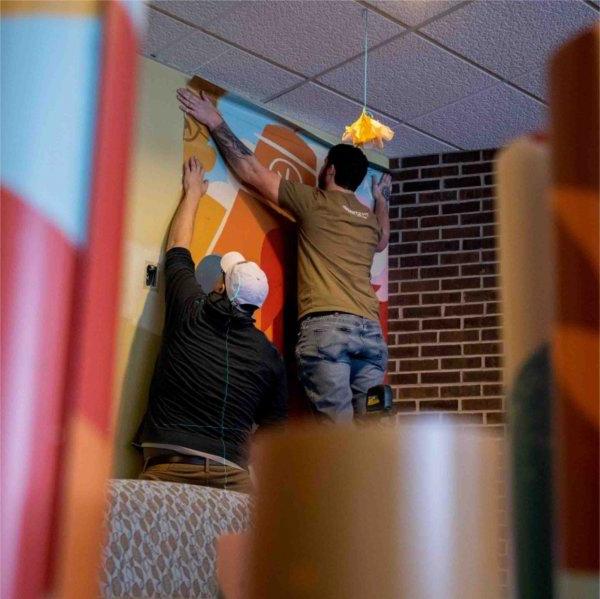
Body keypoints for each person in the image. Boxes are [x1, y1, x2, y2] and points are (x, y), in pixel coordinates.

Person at [177, 88, 391, 424]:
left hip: (329, 328)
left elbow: (253, 172)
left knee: (337, 439)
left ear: (330, 171)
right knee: (372, 436)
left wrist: (215, 120)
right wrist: (380, 200)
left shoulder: (315, 202)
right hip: (370, 332)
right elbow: (382, 241)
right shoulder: (367, 223)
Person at [137, 156, 287, 493]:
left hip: (169, 469)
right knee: (238, 546)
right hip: (233, 477)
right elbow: (274, 432)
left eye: (221, 275)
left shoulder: (190, 309)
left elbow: (178, 249)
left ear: (220, 288)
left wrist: (192, 193)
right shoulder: (268, 356)